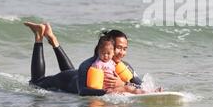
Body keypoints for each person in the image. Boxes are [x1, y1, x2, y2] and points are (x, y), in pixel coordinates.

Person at [23, 22, 152, 96]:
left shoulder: (125, 66)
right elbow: (82, 91)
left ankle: (53, 40)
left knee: (74, 71)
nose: (122, 53)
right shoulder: (88, 65)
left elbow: (140, 85)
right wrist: (108, 92)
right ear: (109, 46)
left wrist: (123, 84)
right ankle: (38, 36)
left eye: (125, 48)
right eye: (118, 48)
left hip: (75, 75)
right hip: (64, 82)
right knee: (35, 83)